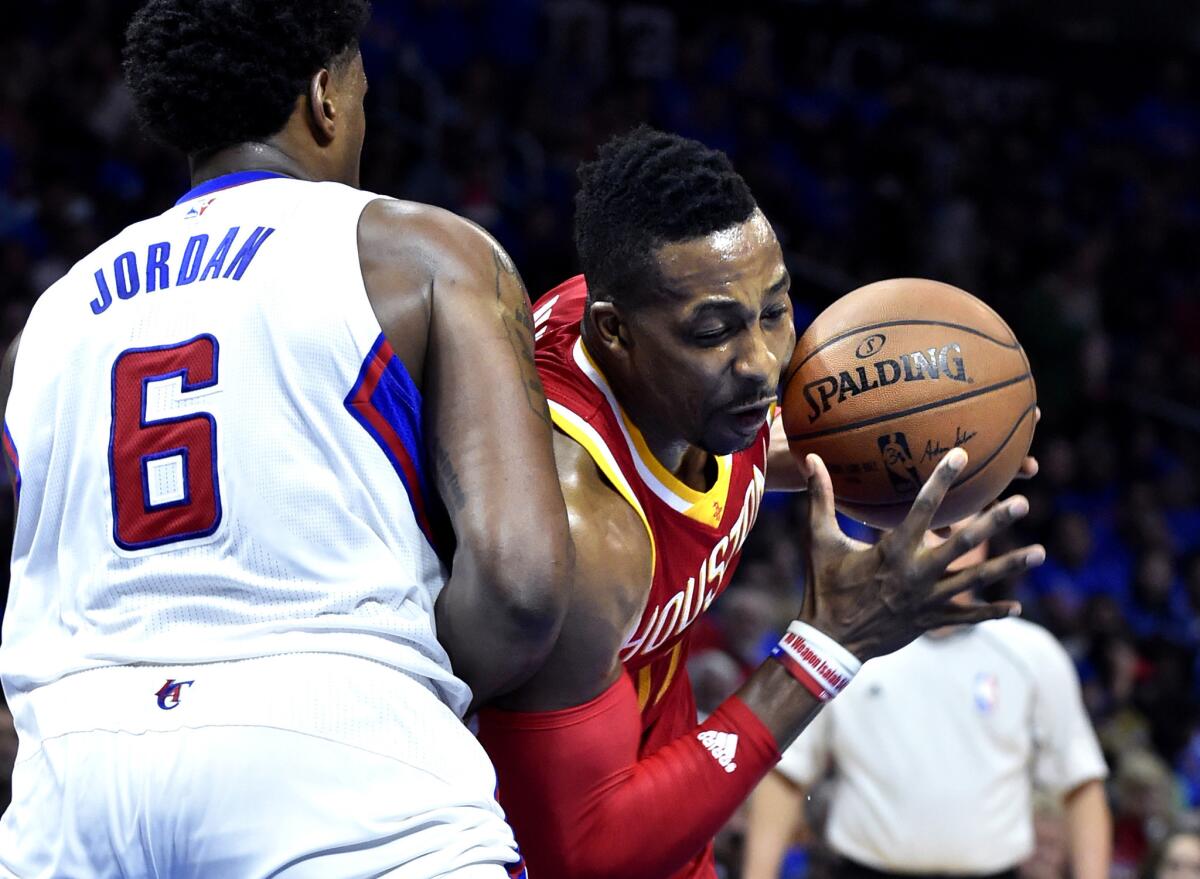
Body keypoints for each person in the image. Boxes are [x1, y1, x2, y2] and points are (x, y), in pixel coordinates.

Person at [0, 1, 572, 876]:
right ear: (325, 97)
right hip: (334, 752)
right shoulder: (418, 252)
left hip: (78, 771)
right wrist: (398, 676)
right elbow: (521, 585)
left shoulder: (47, 320)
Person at [476, 125, 1044, 879]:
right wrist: (830, 641)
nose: (764, 364)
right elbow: (584, 852)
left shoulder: (678, 367)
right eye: (715, 331)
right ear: (613, 333)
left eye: (776, 311)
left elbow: (757, 451)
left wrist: (940, 457)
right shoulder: (580, 533)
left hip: (667, 819)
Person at [742, 532, 1111, 879]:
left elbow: (1081, 783)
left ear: (985, 533)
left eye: (960, 517)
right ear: (890, 528)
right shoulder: (843, 645)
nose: (946, 537)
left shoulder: (1031, 652)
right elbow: (786, 775)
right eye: (933, 518)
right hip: (863, 870)